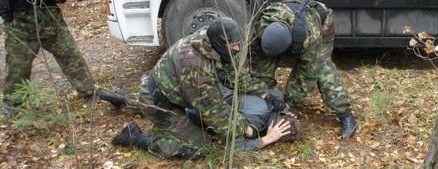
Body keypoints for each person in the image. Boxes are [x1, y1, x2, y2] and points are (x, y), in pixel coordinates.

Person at [98, 17, 296, 159]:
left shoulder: (212, 40)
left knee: (159, 97)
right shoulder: (196, 68)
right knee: (198, 147)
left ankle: (122, 99)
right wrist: (251, 132)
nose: (238, 49)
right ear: (221, 43)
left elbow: (238, 77)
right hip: (163, 102)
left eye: (238, 44)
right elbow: (216, 114)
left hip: (169, 88)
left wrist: (265, 94)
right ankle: (135, 137)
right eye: (234, 46)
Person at [250, 0, 357, 139]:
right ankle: (264, 109)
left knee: (323, 68)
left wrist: (289, 104)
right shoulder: (261, 26)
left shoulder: (309, 37)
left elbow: (306, 75)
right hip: (289, 17)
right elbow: (255, 60)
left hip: (319, 21)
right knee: (260, 69)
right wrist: (263, 94)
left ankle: (346, 115)